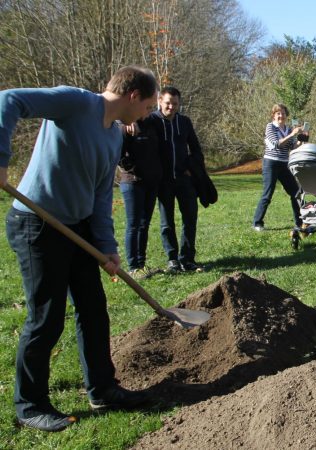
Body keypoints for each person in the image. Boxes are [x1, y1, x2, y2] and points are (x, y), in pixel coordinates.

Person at [0, 66, 157, 432]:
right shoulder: (75, 102)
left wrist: (107, 247)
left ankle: (102, 388)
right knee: (47, 316)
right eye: (149, 106)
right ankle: (29, 404)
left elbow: (102, 196)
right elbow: (9, 99)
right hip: (37, 224)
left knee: (93, 309)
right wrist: (1, 159)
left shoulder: (115, 137)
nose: (147, 114)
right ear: (133, 96)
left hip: (78, 228)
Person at [144, 86, 204, 273]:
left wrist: (190, 169)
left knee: (190, 218)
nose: (171, 107)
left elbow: (195, 149)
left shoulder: (184, 122)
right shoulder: (151, 121)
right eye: (168, 103)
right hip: (163, 181)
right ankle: (172, 259)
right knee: (166, 222)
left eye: (175, 104)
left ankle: (187, 259)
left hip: (184, 180)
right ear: (160, 101)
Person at [252, 103, 306, 232]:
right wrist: (292, 134)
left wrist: (302, 139)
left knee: (296, 193)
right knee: (267, 194)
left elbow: (293, 147)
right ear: (274, 115)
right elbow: (277, 144)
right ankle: (257, 223)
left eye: (283, 113)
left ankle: (299, 223)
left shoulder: (288, 129)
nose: (281, 115)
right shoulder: (270, 127)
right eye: (278, 113)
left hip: (283, 164)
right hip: (270, 163)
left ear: (286, 116)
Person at [119, 118, 162, 279]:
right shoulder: (124, 125)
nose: (148, 110)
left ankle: (141, 265)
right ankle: (132, 267)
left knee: (144, 224)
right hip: (133, 183)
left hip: (151, 182)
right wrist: (132, 168)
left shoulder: (152, 124)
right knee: (133, 224)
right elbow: (118, 154)